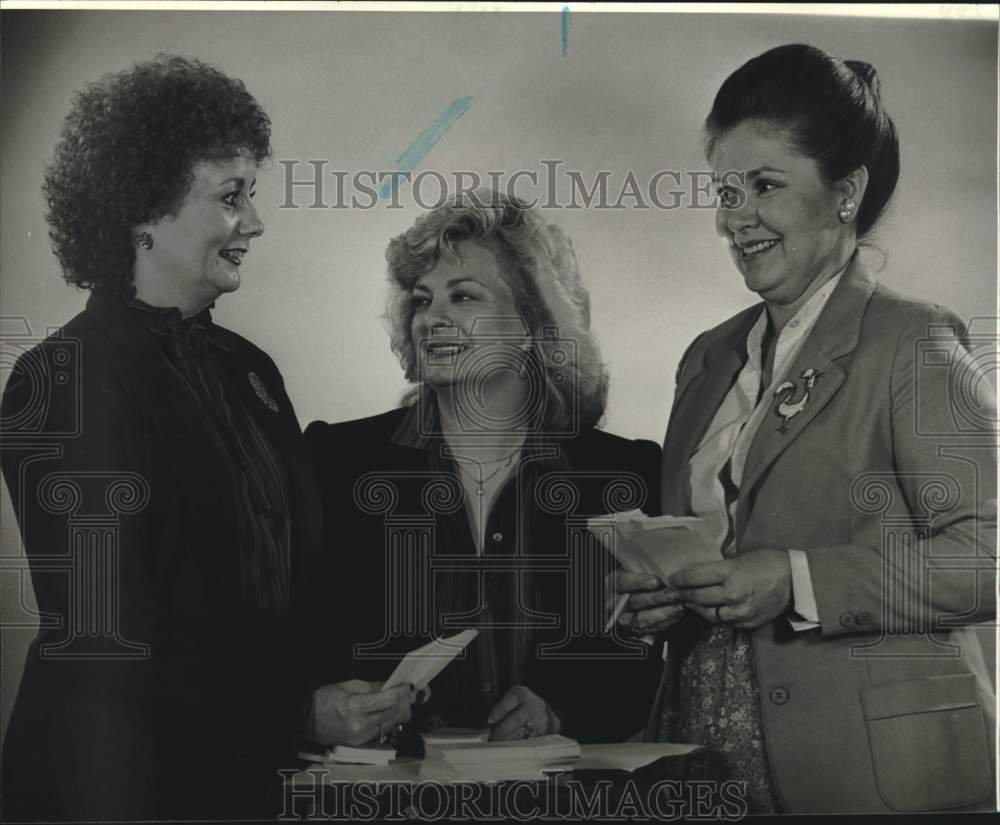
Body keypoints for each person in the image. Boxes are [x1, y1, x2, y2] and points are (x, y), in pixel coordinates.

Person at [0, 55, 411, 821]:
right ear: (143, 212)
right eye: (231, 197)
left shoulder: (248, 369)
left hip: (248, 783)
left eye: (250, 195)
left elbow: (299, 586)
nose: (254, 222)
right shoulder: (60, 380)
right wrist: (295, 712)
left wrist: (354, 694)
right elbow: (108, 636)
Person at [614, 44, 996, 814]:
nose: (734, 218)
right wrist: (651, 605)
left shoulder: (915, 342)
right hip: (701, 755)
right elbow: (705, 554)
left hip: (872, 774)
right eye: (725, 190)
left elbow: (988, 556)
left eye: (764, 186)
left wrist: (799, 579)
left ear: (846, 191)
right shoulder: (708, 357)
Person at [306, 191, 662, 744]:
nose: (433, 319)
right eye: (423, 301)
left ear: (531, 323)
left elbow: (639, 659)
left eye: (463, 297)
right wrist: (318, 709)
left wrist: (562, 711)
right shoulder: (338, 461)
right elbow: (294, 641)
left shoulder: (623, 475)